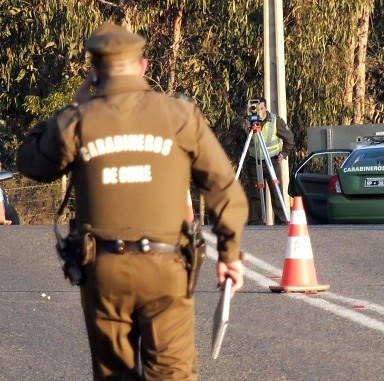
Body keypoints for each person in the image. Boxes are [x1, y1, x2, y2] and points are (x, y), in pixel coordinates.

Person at [17, 23, 248, 380]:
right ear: (142, 67)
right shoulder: (179, 116)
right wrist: (230, 255)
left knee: (114, 374)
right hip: (166, 268)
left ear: (95, 72)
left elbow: (31, 161)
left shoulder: (78, 121)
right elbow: (225, 190)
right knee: (172, 373)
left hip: (103, 268)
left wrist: (70, 108)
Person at [243, 97, 294, 225]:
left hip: (272, 161)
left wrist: (284, 153)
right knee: (255, 193)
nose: (258, 111)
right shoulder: (248, 123)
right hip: (254, 162)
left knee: (276, 191)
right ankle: (256, 220)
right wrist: (243, 128)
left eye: (261, 108)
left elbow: (289, 138)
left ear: (265, 108)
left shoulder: (275, 121)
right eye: (254, 109)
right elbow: (241, 141)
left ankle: (281, 220)